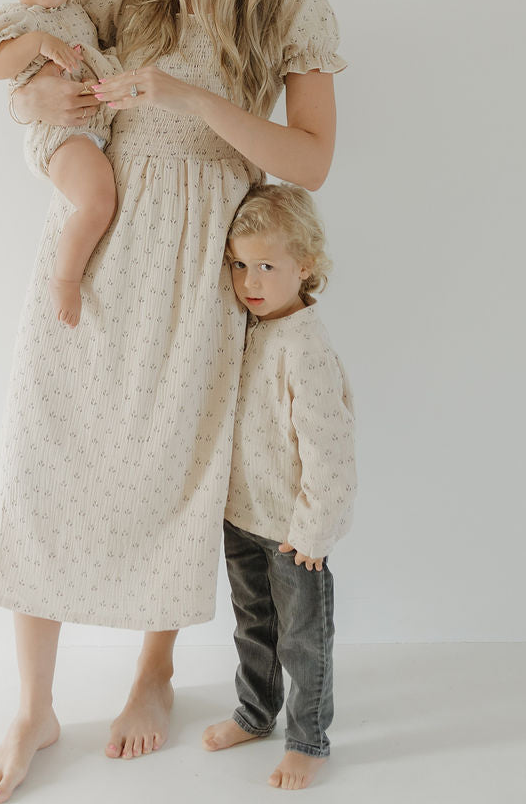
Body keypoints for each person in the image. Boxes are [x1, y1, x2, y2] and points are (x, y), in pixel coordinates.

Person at [0, 0, 347, 803]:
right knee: (42, 460)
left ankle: (154, 670)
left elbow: (310, 160)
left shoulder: (286, 4)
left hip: (199, 264)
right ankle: (33, 706)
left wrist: (189, 99)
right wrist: (31, 104)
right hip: (98, 247)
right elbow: (43, 54)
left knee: (173, 471)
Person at [202, 183, 356, 791]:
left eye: (267, 266)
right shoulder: (248, 328)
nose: (250, 282)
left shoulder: (305, 347)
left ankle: (308, 739)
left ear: (306, 265)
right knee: (253, 628)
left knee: (303, 641)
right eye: (240, 265)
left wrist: (314, 532)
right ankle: (255, 711)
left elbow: (330, 450)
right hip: (243, 516)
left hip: (294, 534)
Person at [0, 0, 119, 327]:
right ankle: (64, 279)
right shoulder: (17, 21)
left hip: (91, 131)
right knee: (98, 202)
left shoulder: (82, 11)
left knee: (104, 199)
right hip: (61, 135)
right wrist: (37, 41)